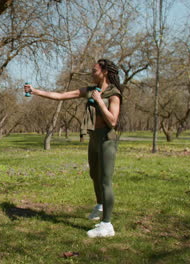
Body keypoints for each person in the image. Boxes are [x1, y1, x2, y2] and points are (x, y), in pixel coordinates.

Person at [24, 59, 122, 238]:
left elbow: (113, 121)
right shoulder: (91, 90)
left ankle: (107, 225)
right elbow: (61, 96)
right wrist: (35, 91)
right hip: (94, 138)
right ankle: (100, 205)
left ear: (105, 71)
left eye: (94, 70)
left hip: (107, 139)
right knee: (94, 175)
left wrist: (99, 101)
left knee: (105, 181)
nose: (92, 73)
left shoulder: (113, 94)